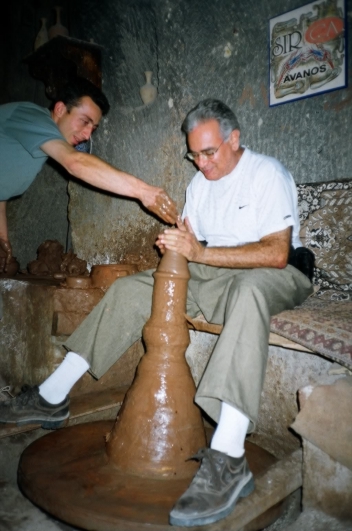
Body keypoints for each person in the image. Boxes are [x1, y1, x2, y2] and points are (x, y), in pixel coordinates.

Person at [0, 99, 313, 527]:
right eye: (194, 155)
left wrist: (199, 251)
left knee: (250, 293)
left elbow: (276, 253)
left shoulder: (266, 173)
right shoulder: (200, 186)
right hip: (216, 274)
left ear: (235, 139)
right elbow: (192, 251)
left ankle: (228, 455)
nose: (201, 164)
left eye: (210, 152)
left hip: (274, 275)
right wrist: (176, 250)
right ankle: (51, 395)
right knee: (133, 288)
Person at [0, 77, 178, 272]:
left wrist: (3, 239)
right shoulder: (31, 116)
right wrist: (143, 191)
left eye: (93, 129)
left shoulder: (38, 139)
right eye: (84, 122)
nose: (87, 135)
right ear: (60, 109)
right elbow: (75, 162)